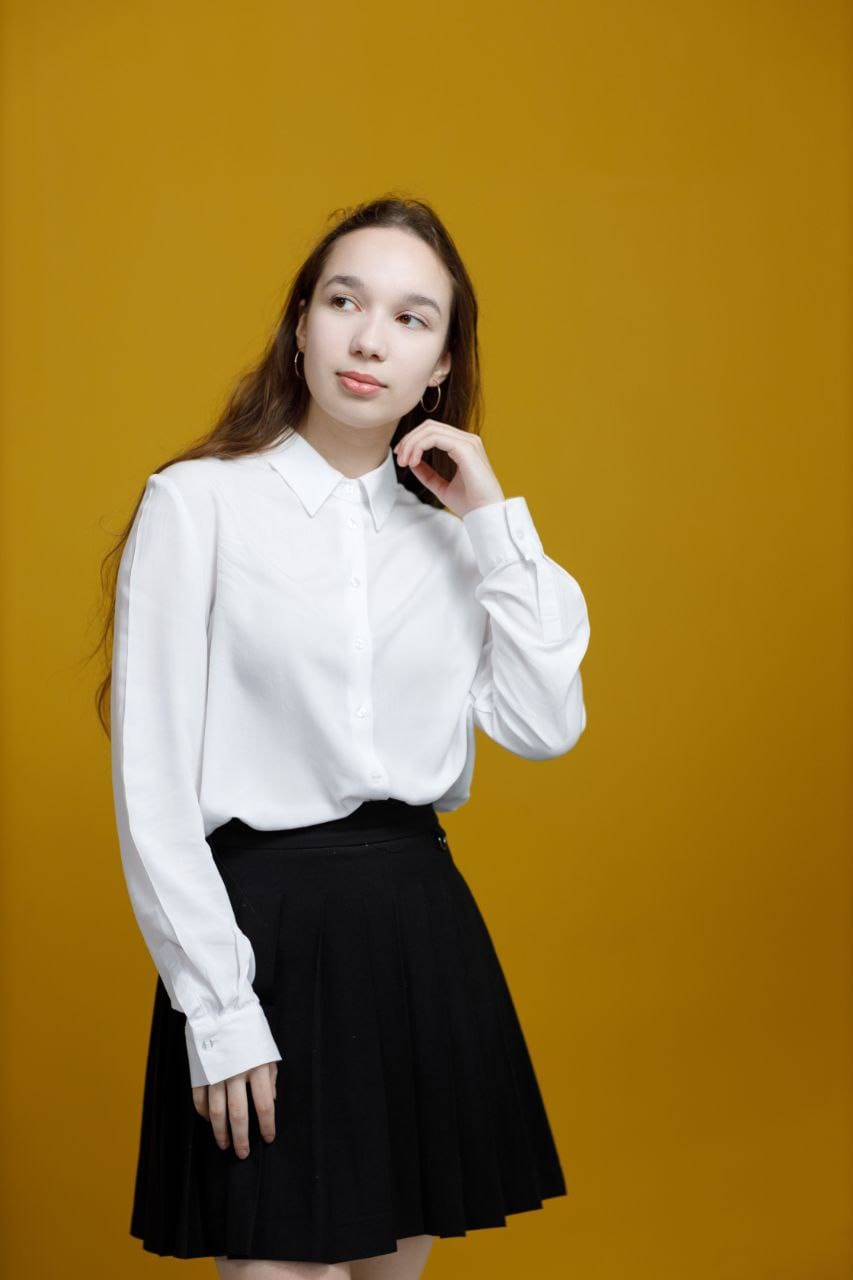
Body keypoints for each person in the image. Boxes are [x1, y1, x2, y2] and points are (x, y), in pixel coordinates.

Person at [97, 194, 591, 1280]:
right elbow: (153, 789)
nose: (371, 339)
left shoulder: (456, 541)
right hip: (258, 938)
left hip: (418, 938)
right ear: (300, 325)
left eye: (412, 319)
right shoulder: (197, 504)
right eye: (344, 301)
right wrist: (218, 1009)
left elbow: (546, 722)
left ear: (440, 365)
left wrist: (491, 518)